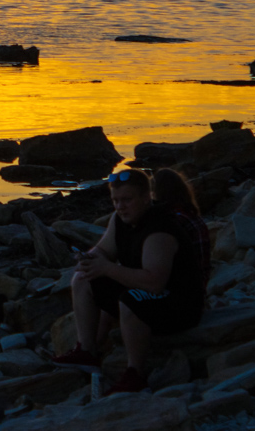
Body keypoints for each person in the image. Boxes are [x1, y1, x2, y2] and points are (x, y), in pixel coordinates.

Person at [52, 168, 207, 393]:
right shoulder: (120, 220)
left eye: (127, 200)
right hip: (150, 293)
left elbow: (154, 282)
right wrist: (90, 259)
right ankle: (86, 351)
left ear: (146, 198)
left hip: (180, 304)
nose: (120, 206)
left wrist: (106, 268)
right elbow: (104, 250)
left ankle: (135, 373)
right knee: (83, 278)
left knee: (130, 300)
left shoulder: (160, 229)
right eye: (115, 200)